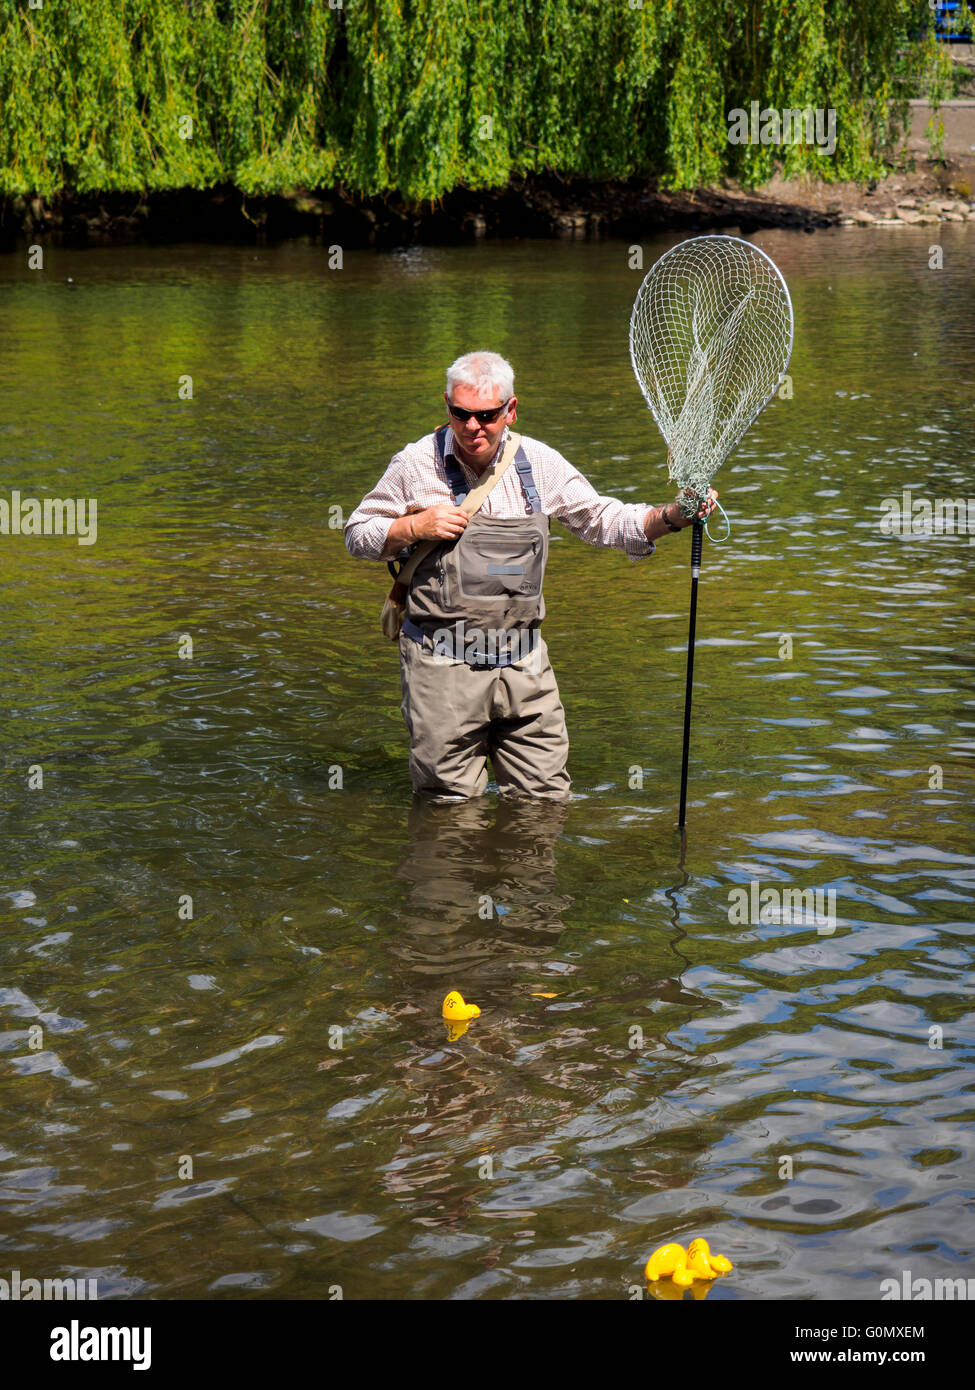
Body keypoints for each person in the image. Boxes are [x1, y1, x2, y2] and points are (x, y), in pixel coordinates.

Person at [344, 351, 716, 801]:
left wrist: (674, 516)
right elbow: (357, 534)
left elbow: (605, 521)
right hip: (441, 668)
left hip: (524, 665)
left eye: (486, 415)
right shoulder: (415, 464)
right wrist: (411, 528)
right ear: (447, 406)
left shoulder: (539, 463)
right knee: (448, 813)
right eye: (460, 414)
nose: (472, 426)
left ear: (510, 410)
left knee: (546, 803)